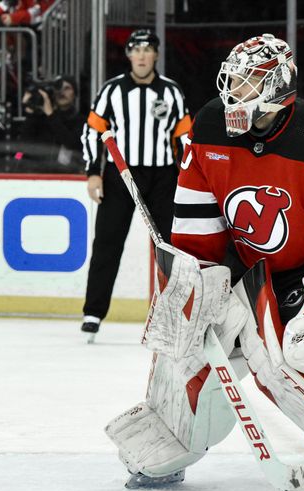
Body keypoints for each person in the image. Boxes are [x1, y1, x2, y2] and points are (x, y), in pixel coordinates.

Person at [107, 33, 304, 491]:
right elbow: (196, 229)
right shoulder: (210, 124)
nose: (234, 91)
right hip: (243, 270)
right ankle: (173, 438)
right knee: (188, 345)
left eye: (248, 83)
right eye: (233, 79)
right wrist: (195, 285)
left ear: (277, 87)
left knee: (278, 355)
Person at [80, 29, 191, 336]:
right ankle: (93, 312)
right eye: (135, 49)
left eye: (147, 49)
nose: (141, 55)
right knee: (107, 242)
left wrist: (188, 177)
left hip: (163, 177)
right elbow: (92, 130)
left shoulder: (171, 91)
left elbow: (184, 137)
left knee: (170, 246)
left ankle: (175, 313)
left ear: (156, 55)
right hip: (120, 177)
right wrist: (92, 171)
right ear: (128, 55)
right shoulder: (112, 90)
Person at [18, 75, 85, 173]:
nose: (62, 92)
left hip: (67, 176)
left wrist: (50, 114)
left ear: (75, 94)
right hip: (38, 175)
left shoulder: (81, 121)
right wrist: (30, 112)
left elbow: (71, 143)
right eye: (58, 88)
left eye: (67, 88)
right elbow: (23, 145)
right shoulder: (42, 119)